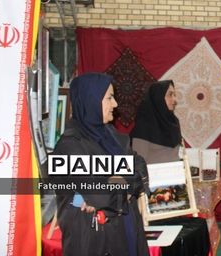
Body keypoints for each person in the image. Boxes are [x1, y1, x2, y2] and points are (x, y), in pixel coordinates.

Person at [50, 72, 149, 256]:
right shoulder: (69, 146)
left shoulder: (113, 136)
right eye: (109, 98)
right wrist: (123, 183)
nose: (115, 104)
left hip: (126, 228)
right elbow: (100, 194)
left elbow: (140, 168)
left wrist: (116, 181)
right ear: (91, 100)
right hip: (94, 240)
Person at [130, 80, 182, 164]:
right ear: (158, 97)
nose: (174, 100)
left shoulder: (174, 122)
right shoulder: (143, 125)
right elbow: (138, 162)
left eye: (174, 95)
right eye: (170, 95)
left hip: (176, 170)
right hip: (153, 172)